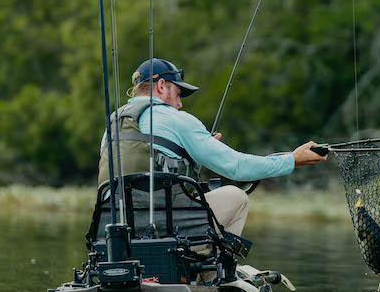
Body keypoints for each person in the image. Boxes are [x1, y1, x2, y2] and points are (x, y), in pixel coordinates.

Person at [99, 58, 327, 241]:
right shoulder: (177, 119)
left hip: (112, 229)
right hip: (161, 224)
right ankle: (207, 274)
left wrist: (191, 148)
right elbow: (237, 168)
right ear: (161, 86)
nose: (179, 103)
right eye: (178, 94)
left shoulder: (111, 125)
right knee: (236, 197)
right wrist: (293, 160)